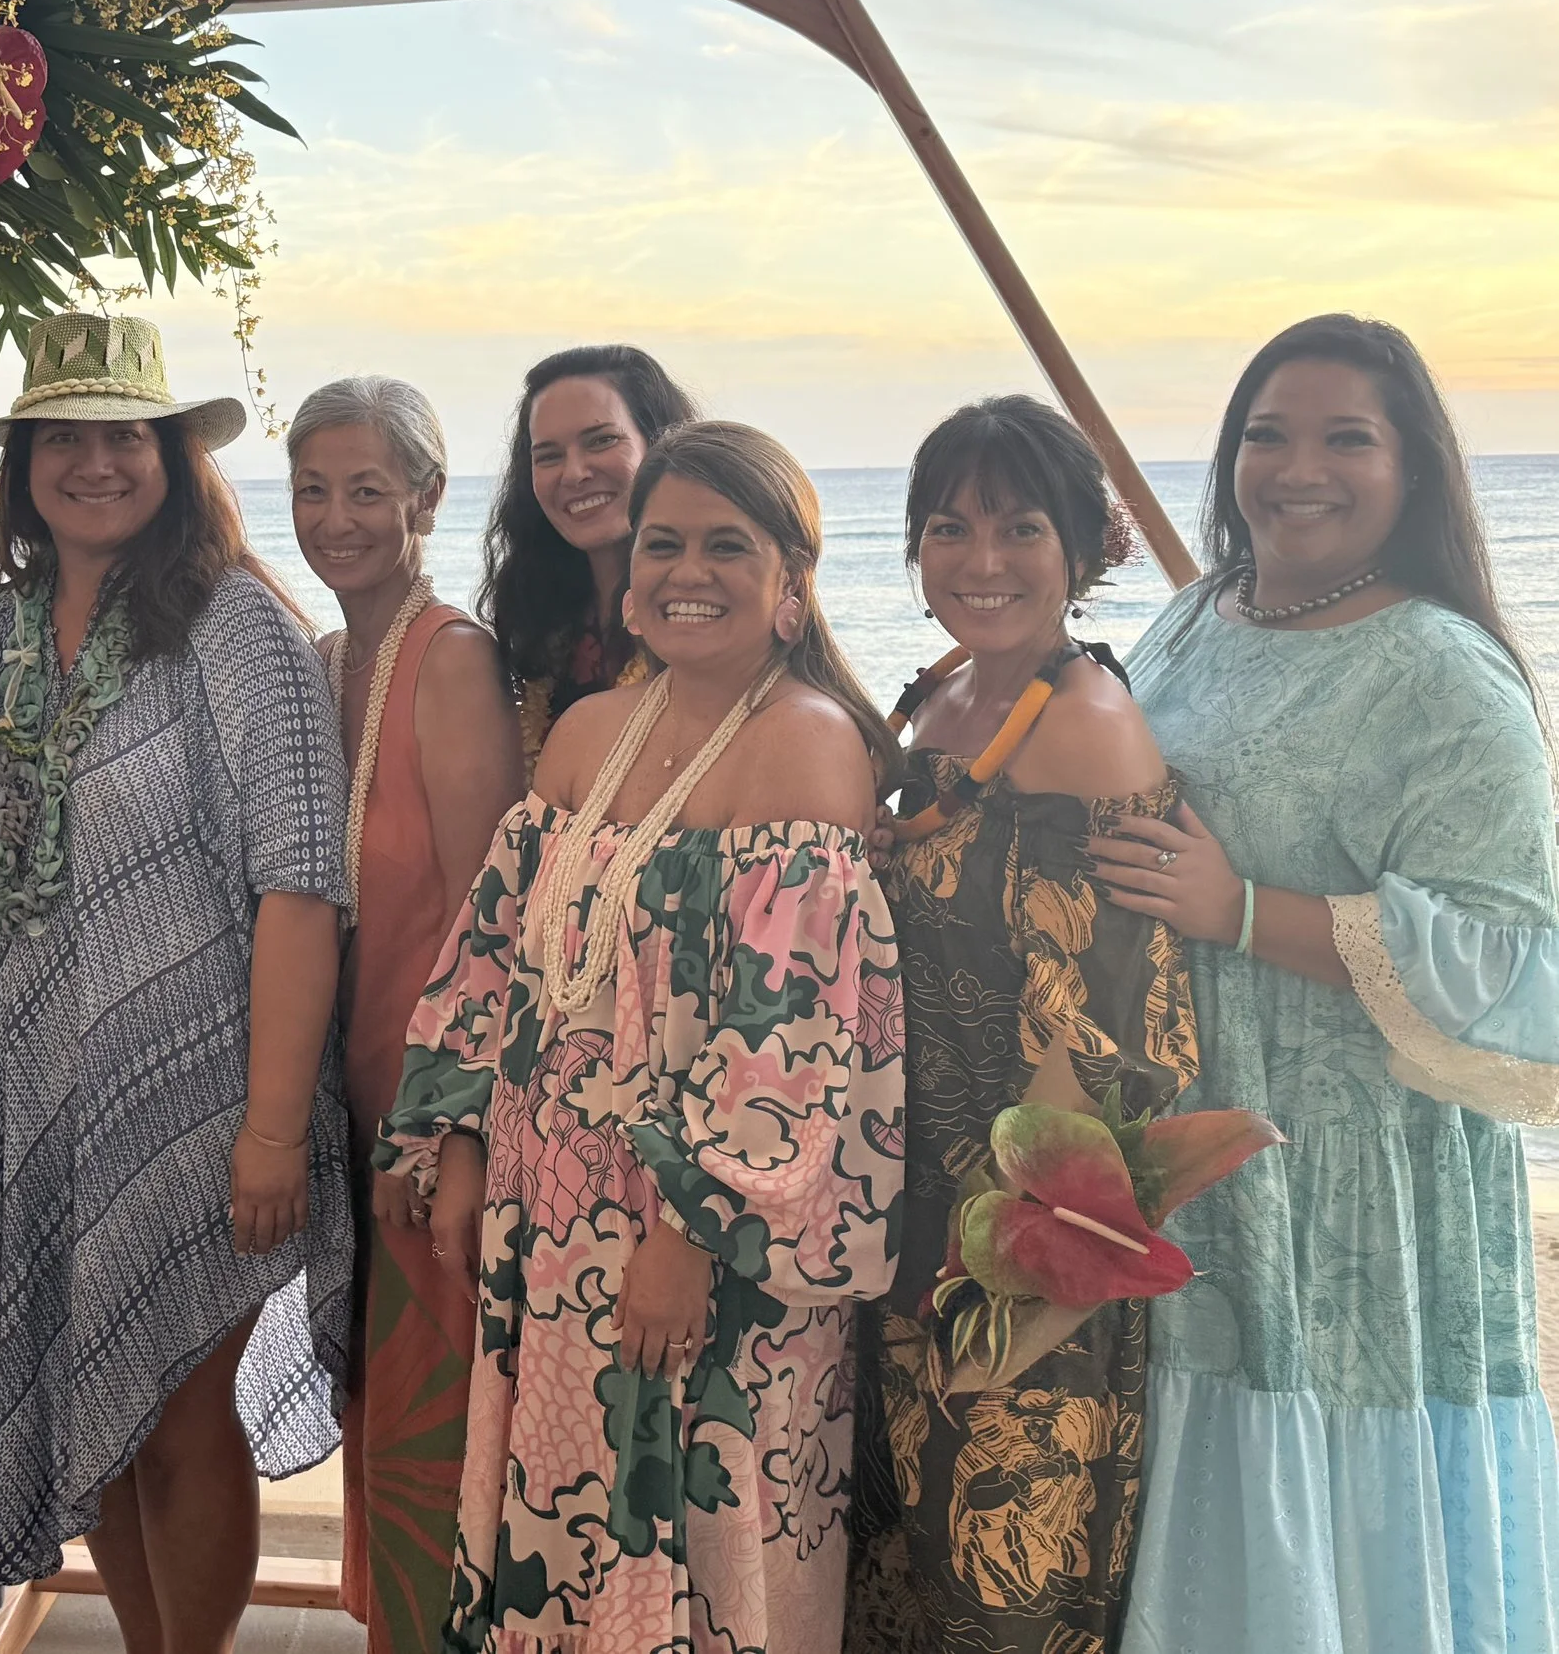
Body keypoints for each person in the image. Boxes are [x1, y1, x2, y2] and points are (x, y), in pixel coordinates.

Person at [378, 419, 907, 1653]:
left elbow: (790, 1042)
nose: (688, 572)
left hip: (707, 1246)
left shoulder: (807, 742)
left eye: (728, 546)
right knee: (562, 1519)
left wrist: (688, 1232)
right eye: (663, 544)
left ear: (790, 581)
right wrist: (458, 1141)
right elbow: (494, 950)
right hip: (551, 1216)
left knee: (696, 1538)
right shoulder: (586, 733)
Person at [1087, 315, 1559, 1653]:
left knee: (1326, 1506)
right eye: (1267, 435)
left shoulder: (1443, 672)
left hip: (1348, 1178)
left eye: (1346, 438)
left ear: (1412, 468)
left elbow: (1509, 966)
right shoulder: (1197, 613)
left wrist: (1240, 910)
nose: (1298, 468)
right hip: (1192, 1139)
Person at [0, 312, 352, 1652]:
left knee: (178, 1409)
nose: (96, 461)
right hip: (35, 1097)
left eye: (125, 434)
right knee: (98, 1415)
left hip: (201, 1095)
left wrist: (274, 1128)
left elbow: (302, 882)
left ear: (173, 458)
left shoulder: (236, 627)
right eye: (63, 437)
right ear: (22, 470)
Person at [842, 396, 1200, 1653]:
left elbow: (1108, 1043)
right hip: (904, 1197)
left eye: (1019, 528)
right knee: (895, 1565)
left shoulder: (1085, 724)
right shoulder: (941, 695)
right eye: (948, 527)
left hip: (1012, 1240)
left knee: (999, 1570)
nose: (979, 560)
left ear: (1085, 547)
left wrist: (1002, 1281)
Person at [286, 375, 526, 1654]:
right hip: (351, 1116)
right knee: (383, 1435)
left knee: (439, 1449)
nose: (336, 518)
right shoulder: (331, 659)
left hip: (430, 1124)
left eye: (366, 490)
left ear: (426, 499)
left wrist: (450, 1131)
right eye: (311, 491)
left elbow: (495, 919)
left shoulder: (451, 657)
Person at [477, 344, 698, 769]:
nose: (575, 473)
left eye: (602, 441)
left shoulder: (703, 611)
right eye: (548, 456)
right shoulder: (545, 622)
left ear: (660, 445)